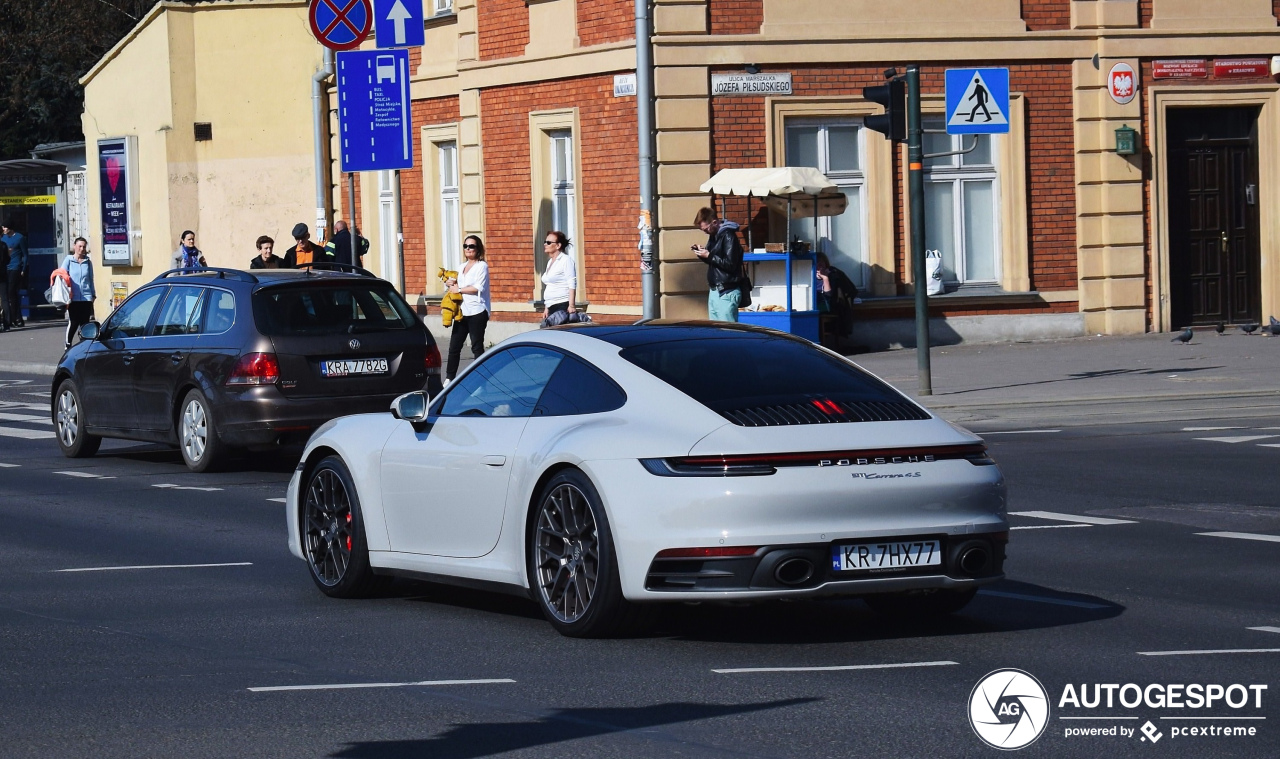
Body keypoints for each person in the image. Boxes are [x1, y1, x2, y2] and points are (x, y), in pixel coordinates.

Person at [444, 235, 491, 384]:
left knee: (477, 347)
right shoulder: (461, 267)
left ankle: (482, 380)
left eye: (472, 246)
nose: (468, 249)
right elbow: (455, 285)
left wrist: (459, 289)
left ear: (478, 249)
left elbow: (478, 287)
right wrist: (450, 282)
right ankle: (449, 379)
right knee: (454, 346)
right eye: (466, 246)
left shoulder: (481, 266)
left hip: (477, 311)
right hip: (461, 312)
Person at [692, 207, 744, 322]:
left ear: (714, 222)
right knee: (716, 331)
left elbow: (730, 264)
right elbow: (713, 261)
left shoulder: (728, 236)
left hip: (726, 290)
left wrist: (709, 255)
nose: (705, 232)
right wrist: (702, 254)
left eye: (706, 229)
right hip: (715, 290)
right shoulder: (713, 236)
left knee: (728, 333)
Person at [60, 238, 96, 349]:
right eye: (80, 246)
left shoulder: (88, 262)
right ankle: (68, 344)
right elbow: (62, 275)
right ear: (74, 246)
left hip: (86, 297)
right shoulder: (68, 260)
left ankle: (83, 345)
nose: (82, 249)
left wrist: (93, 294)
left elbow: (90, 279)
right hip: (73, 297)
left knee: (85, 323)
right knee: (74, 321)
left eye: (84, 247)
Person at [815, 251, 858, 337]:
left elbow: (829, 294)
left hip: (827, 306)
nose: (819, 266)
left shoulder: (832, 275)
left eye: (821, 263)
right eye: (817, 263)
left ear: (825, 264)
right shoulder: (809, 274)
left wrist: (825, 278)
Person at [540, 231, 577, 320]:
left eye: (548, 242)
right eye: (545, 242)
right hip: (551, 306)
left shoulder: (565, 260)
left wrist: (571, 305)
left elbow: (572, 283)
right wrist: (546, 307)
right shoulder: (550, 262)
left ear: (558, 246)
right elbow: (550, 285)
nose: (545, 244)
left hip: (562, 305)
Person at [1, 221, 28, 328]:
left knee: (11, 292)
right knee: (9, 295)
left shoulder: (19, 238)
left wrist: (23, 268)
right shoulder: (3, 239)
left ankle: (14, 318)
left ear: (10, 228)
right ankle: (17, 318)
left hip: (15, 267)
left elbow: (25, 254)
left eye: (5, 227)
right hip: (4, 268)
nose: (3, 229)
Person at [0, 241, 9, 332]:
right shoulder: (3, 245)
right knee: (5, 299)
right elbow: (7, 260)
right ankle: (7, 322)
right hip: (2, 274)